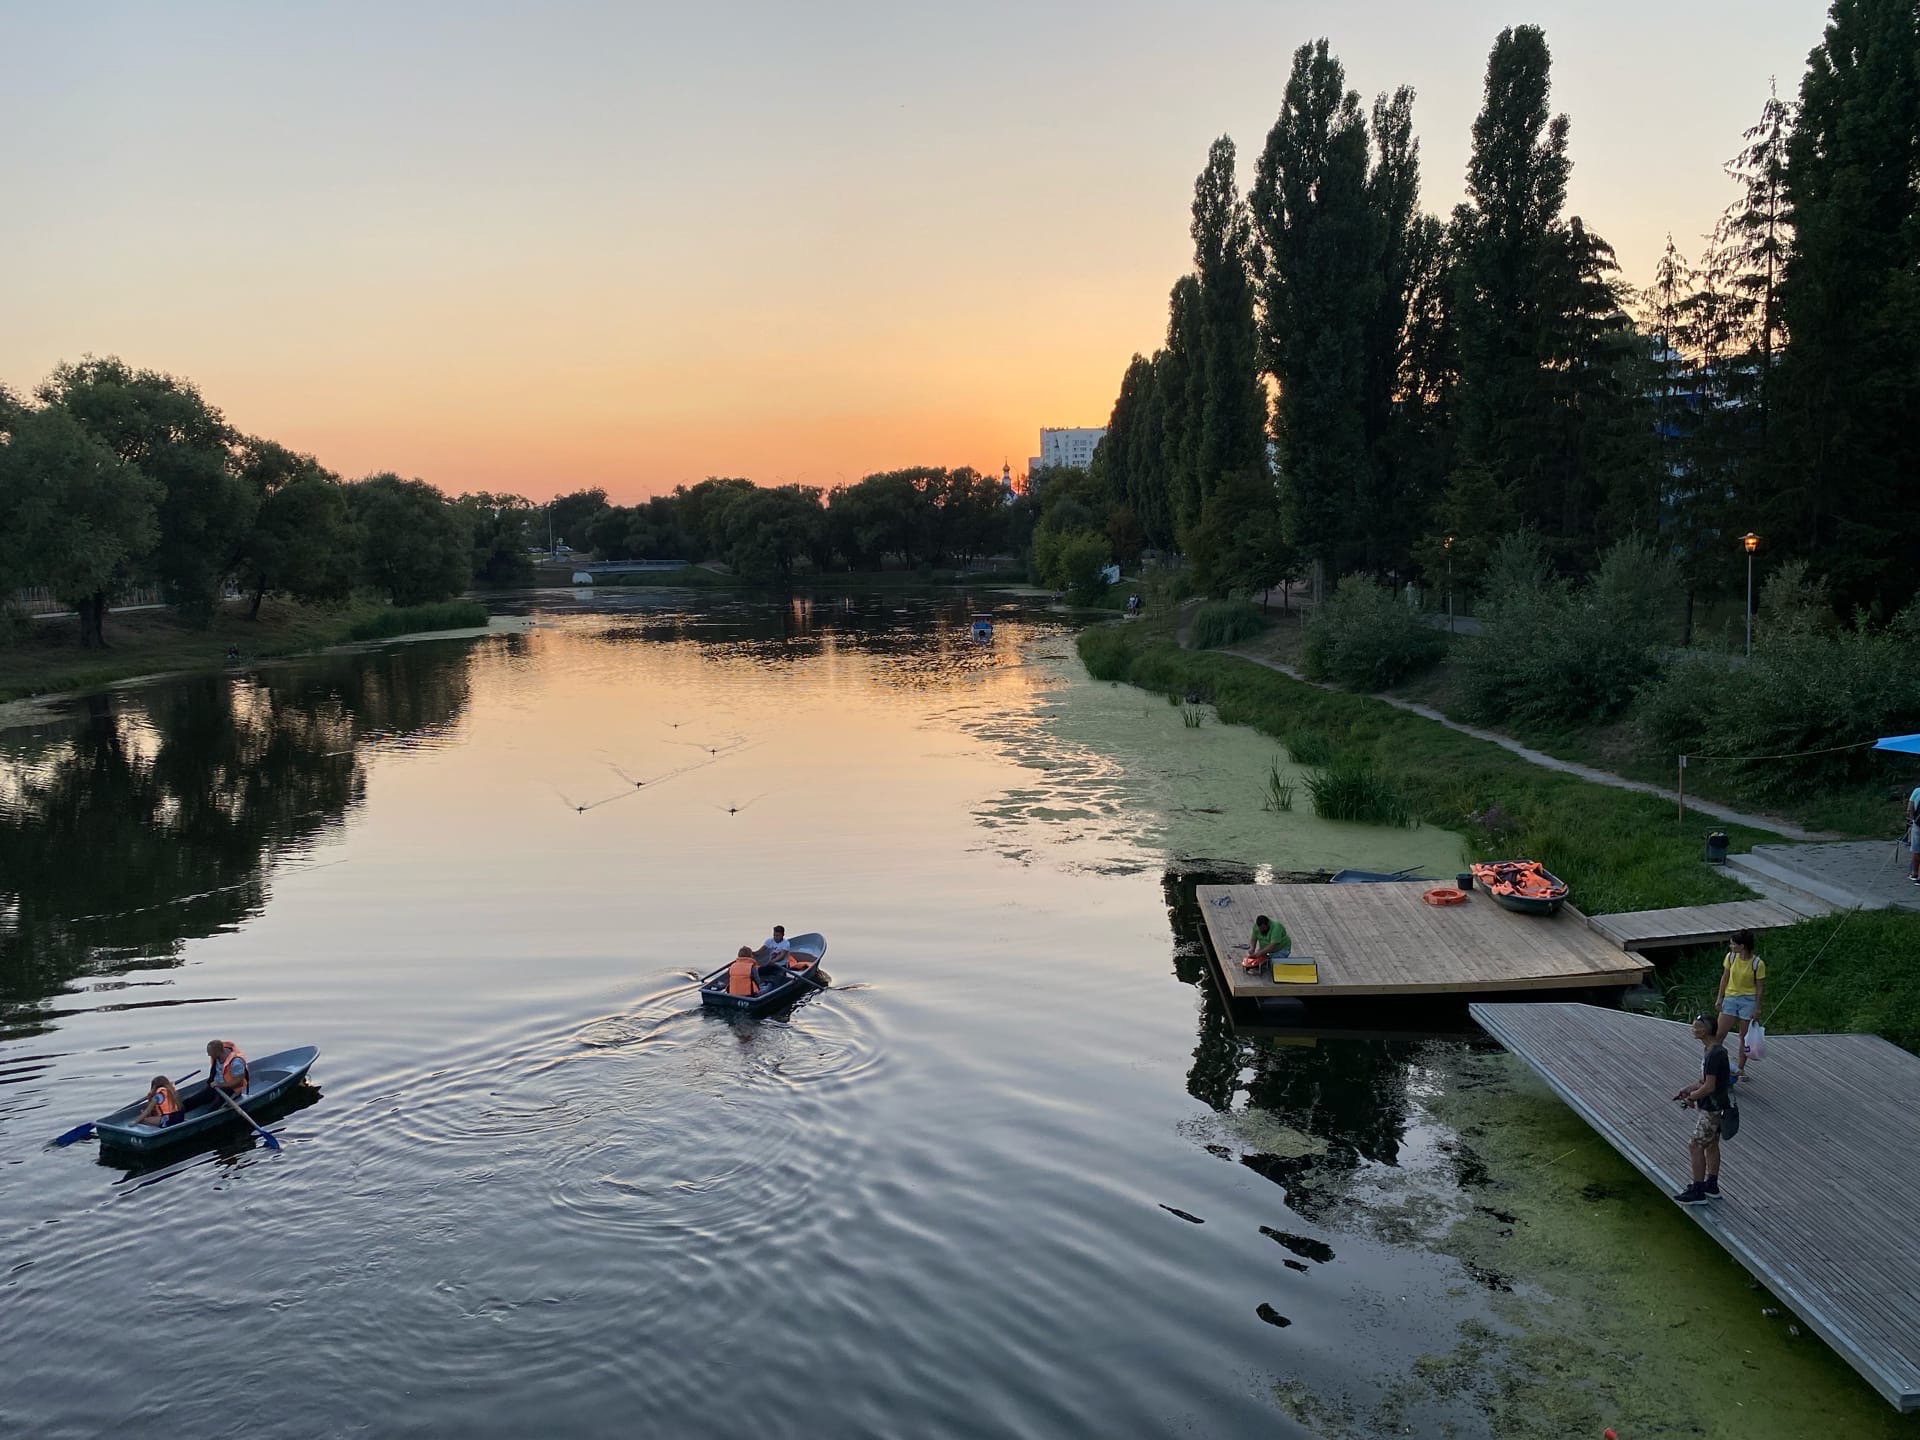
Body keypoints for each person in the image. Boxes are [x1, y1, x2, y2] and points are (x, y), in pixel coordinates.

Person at [1671, 1013, 1734, 1204]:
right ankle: (1711, 1185)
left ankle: (1697, 1190)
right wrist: (1689, 1089)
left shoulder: (1714, 1054)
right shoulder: (1712, 1050)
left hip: (1713, 1109)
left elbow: (1709, 1087)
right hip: (1717, 1106)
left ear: (1705, 1030)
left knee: (1695, 1145)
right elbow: (1705, 1081)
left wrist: (1691, 1098)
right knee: (1711, 1145)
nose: (1693, 1029)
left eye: (1695, 1026)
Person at [1713, 929, 1765, 1080]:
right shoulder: (1730, 957)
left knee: (1744, 1037)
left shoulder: (1757, 963)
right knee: (1719, 1034)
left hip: (1748, 1000)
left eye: (1733, 944)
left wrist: (1757, 1007)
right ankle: (1713, 1063)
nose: (1731, 947)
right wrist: (1720, 997)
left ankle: (1740, 1069)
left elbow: (1760, 987)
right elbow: (1724, 978)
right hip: (1730, 998)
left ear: (1742, 946)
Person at [1907, 780, 1920, 884]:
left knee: (1916, 850)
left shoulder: (1917, 790)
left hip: (1918, 824)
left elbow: (1910, 807)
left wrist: (1912, 820)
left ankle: (1915, 873)